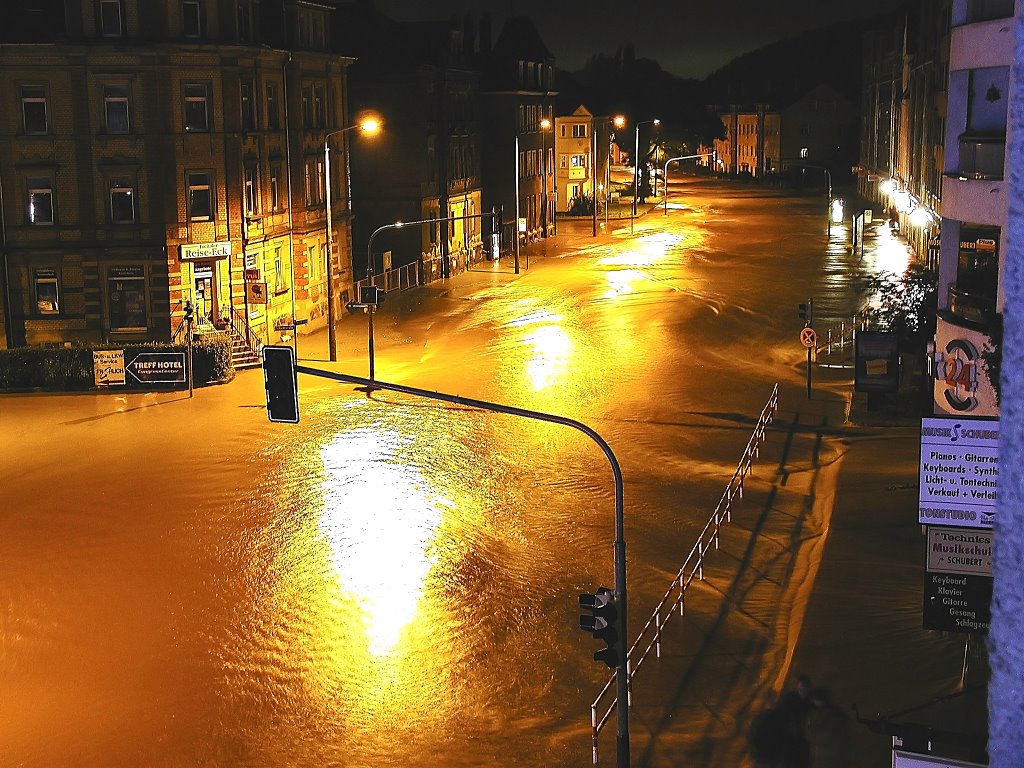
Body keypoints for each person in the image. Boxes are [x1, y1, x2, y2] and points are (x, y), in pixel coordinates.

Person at [804, 687, 851, 768]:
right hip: (840, 756)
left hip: (826, 758)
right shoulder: (839, 714)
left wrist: (808, 731)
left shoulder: (818, 716)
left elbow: (822, 737)